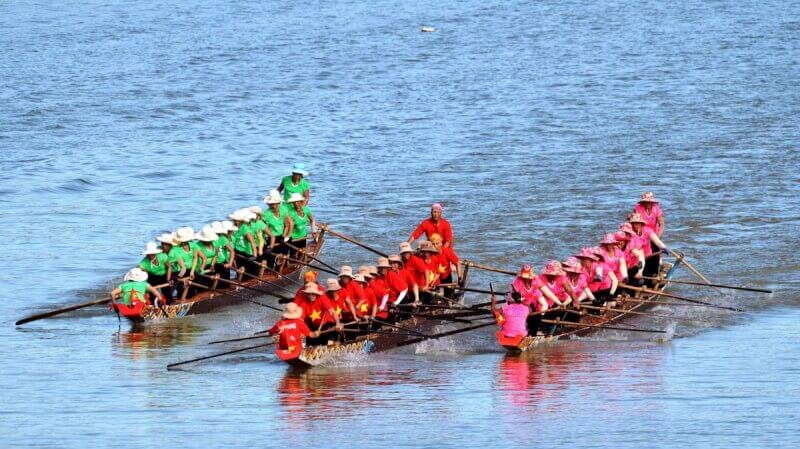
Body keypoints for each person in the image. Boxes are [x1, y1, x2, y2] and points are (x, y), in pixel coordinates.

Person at [507, 265, 547, 336]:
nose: (525, 279)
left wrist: (541, 314)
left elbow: (544, 302)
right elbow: (511, 297)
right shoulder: (518, 282)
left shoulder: (535, 284)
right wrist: (518, 300)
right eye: (524, 277)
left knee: (536, 318)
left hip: (533, 308)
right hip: (519, 306)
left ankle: (534, 329)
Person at [295, 281, 340, 346]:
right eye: (309, 294)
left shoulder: (322, 298)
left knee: (323, 345)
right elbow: (300, 320)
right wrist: (301, 332)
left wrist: (338, 323)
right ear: (306, 294)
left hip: (323, 325)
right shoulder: (303, 303)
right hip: (311, 326)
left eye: (313, 294)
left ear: (316, 294)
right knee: (310, 345)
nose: (311, 296)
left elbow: (332, 312)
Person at [629, 212, 670, 281]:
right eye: (635, 223)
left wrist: (664, 248)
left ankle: (653, 277)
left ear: (641, 224)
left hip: (649, 256)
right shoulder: (630, 233)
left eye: (638, 223)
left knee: (656, 250)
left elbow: (657, 241)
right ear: (632, 224)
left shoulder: (647, 230)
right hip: (636, 258)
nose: (637, 225)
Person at [167, 227, 205, 301]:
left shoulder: (193, 246)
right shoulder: (175, 249)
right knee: (180, 288)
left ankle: (192, 297)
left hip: (190, 270)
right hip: (179, 271)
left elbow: (195, 258)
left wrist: (192, 271)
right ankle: (180, 299)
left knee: (198, 278)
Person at [263, 190, 293, 267]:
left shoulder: (283, 209)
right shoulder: (266, 215)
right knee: (270, 259)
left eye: (274, 204)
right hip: (270, 238)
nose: (273, 206)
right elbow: (263, 230)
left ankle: (283, 268)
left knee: (284, 256)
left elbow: (287, 224)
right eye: (271, 204)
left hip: (282, 236)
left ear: (279, 203)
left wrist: (284, 236)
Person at [229, 209, 258, 276]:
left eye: (237, 220)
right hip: (238, 251)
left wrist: (255, 255)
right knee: (239, 270)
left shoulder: (244, 227)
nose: (235, 222)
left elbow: (252, 242)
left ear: (241, 221)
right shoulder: (233, 228)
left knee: (250, 271)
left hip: (247, 252)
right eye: (234, 220)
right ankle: (240, 283)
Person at [430, 233, 460, 297]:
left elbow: (457, 263)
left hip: (446, 277)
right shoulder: (429, 254)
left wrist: (459, 278)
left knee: (449, 296)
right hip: (434, 279)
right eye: (433, 244)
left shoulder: (446, 251)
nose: (435, 246)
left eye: (437, 243)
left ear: (441, 243)